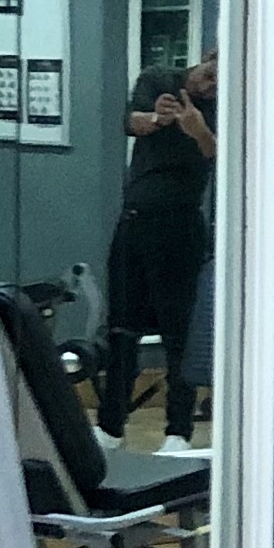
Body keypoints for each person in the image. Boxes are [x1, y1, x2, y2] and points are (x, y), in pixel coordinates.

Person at [104, 48, 216, 443]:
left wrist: (197, 129)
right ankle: (111, 425)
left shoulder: (224, 107)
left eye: (218, 85)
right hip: (136, 218)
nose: (210, 86)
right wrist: (157, 118)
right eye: (210, 75)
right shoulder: (158, 78)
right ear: (206, 58)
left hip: (181, 225)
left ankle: (178, 430)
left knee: (178, 333)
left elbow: (221, 154)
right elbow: (130, 122)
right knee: (121, 327)